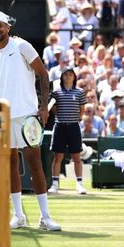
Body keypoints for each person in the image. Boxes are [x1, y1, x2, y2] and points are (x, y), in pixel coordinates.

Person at [0, 11, 61, 231]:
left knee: (35, 164)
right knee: (12, 165)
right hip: (4, 117)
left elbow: (43, 74)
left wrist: (43, 106)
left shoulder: (22, 46)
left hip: (27, 114)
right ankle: (19, 216)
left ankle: (45, 217)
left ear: (8, 27)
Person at [47, 67, 87, 195]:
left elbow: (82, 109)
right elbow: (54, 109)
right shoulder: (56, 92)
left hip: (74, 127)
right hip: (60, 127)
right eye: (65, 74)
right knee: (58, 156)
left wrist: (77, 119)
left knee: (76, 157)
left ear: (74, 77)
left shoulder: (80, 92)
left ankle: (79, 184)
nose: (68, 76)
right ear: (62, 77)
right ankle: (54, 184)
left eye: (70, 74)